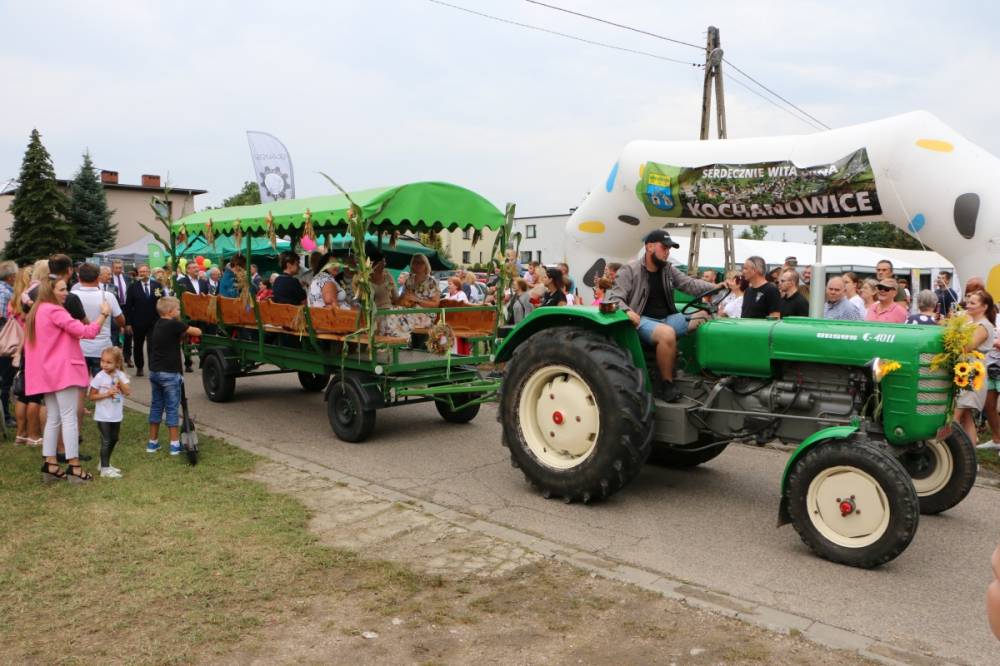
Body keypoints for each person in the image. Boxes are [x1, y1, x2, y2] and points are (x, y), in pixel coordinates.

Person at [605, 229, 715, 402]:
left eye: (669, 249)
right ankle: (667, 384)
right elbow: (614, 297)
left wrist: (716, 287)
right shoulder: (630, 270)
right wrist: (627, 311)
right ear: (650, 247)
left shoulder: (668, 269)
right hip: (642, 320)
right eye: (664, 247)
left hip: (667, 319)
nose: (667, 252)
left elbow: (690, 284)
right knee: (667, 333)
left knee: (705, 316)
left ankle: (702, 371)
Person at [26, 276, 111, 482]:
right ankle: (74, 466)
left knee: (54, 417)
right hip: (63, 370)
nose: (66, 293)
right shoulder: (55, 311)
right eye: (62, 289)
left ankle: (51, 464)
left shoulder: (37, 310)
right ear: (50, 291)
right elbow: (87, 332)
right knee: (68, 417)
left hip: (47, 371)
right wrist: (103, 314)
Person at [145, 297, 202, 455]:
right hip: (169, 373)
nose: (179, 311)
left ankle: (152, 443)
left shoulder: (158, 323)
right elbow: (197, 332)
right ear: (170, 312)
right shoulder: (174, 324)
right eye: (178, 309)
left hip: (155, 372)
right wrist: (185, 324)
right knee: (171, 408)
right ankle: (175, 445)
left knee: (156, 406)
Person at [953, 290, 996, 447]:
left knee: (954, 417)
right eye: (968, 302)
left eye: (973, 303)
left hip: (972, 375)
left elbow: (966, 347)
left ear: (984, 307)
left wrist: (957, 329)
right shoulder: (973, 323)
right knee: (966, 417)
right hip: (966, 372)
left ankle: (950, 451)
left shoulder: (983, 326)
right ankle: (970, 456)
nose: (968, 305)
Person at [72, 263, 125, 377]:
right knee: (103, 384)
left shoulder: (71, 296)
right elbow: (121, 321)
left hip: (78, 348)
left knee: (80, 385)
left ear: (79, 278)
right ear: (98, 278)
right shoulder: (108, 296)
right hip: (102, 348)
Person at [87, 346, 130, 478]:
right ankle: (105, 469)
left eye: (108, 362)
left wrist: (118, 380)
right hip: (103, 415)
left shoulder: (120, 375)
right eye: (102, 361)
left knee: (114, 438)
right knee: (106, 440)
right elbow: (91, 396)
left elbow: (127, 392)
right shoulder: (99, 377)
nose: (104, 364)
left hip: (116, 415)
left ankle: (103, 463)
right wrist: (107, 394)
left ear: (117, 363)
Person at [124, 265, 162, 377]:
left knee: (152, 345)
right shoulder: (133, 287)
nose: (143, 273)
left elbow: (161, 301)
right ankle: (139, 367)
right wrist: (128, 323)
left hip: (154, 321)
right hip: (138, 322)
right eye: (141, 272)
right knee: (138, 345)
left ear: (149, 272)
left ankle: (153, 367)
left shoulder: (157, 285)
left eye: (145, 271)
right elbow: (128, 306)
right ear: (138, 273)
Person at [0, 260, 17, 427]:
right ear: (11, 277)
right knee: (5, 381)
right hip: (4, 342)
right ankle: (5, 415)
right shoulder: (4, 292)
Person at [109, 260, 132, 366]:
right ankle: (115, 358)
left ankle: (128, 357)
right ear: (112, 268)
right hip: (114, 307)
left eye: (120, 267)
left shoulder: (127, 278)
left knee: (128, 332)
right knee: (115, 332)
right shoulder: (109, 279)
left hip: (126, 307)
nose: (118, 270)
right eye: (116, 268)